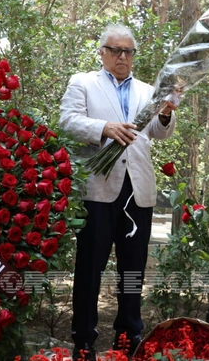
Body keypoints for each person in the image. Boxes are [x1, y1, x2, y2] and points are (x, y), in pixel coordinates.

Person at [59, 24, 176, 357]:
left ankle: (129, 334)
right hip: (98, 190)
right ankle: (83, 338)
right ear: (102, 53)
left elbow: (158, 133)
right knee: (90, 267)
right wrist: (104, 128)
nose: (123, 57)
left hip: (137, 191)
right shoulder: (83, 82)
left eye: (128, 51)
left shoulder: (146, 90)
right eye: (115, 50)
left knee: (133, 269)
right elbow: (66, 121)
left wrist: (165, 115)